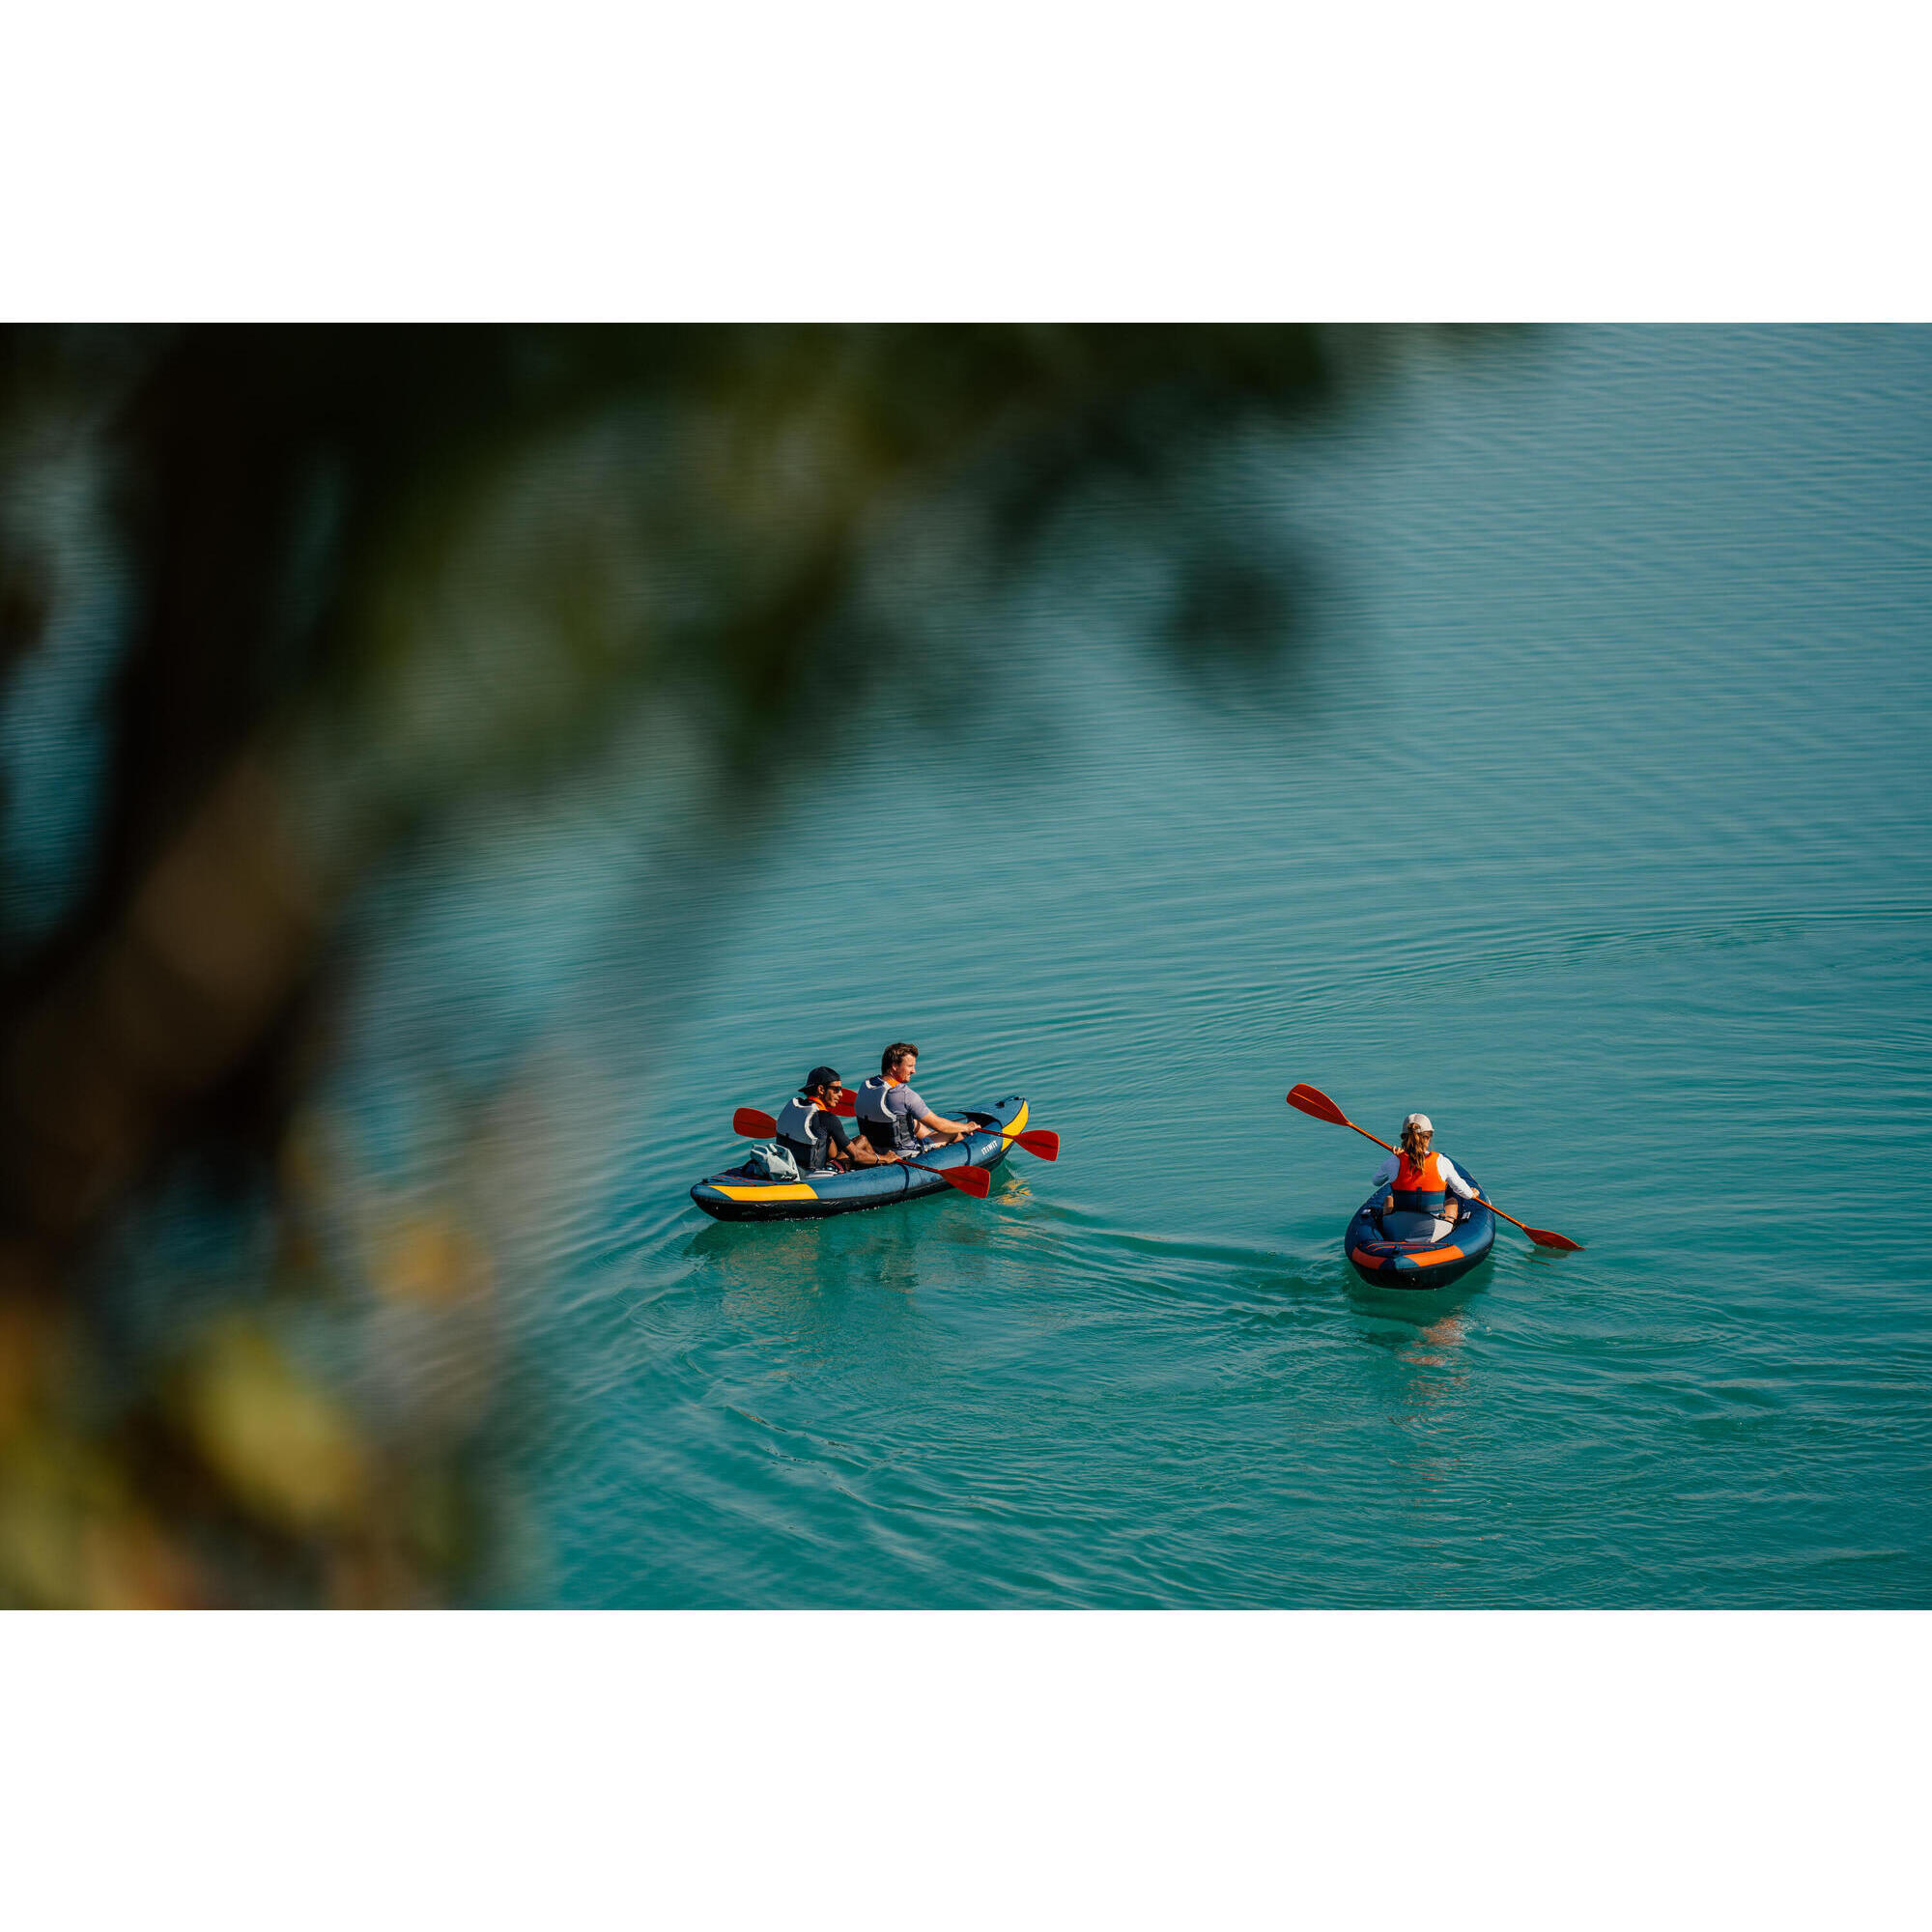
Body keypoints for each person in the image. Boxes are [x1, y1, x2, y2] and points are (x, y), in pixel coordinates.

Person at [854, 1042, 983, 1161]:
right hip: (903, 1154)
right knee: (953, 1133)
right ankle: (966, 1157)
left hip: (873, 1150)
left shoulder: (866, 1085)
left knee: (913, 1121)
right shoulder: (904, 1094)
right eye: (910, 1066)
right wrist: (967, 1127)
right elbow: (939, 1125)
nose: (913, 1071)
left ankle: (933, 1139)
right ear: (894, 1066)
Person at [1371, 1113, 1479, 1242]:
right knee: (1452, 1202)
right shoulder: (1441, 1161)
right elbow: (1464, 1193)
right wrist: (1472, 1194)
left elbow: (1376, 1181)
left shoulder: (1394, 1160)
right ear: (1428, 1138)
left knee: (1389, 1199)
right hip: (1433, 1232)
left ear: (1404, 1138)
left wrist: (1398, 1157)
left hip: (1396, 1230)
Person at [774, 1066, 898, 1175]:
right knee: (863, 1147)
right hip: (817, 1175)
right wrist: (885, 1158)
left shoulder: (793, 1108)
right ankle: (882, 1173)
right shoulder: (827, 1118)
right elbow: (856, 1156)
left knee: (862, 1140)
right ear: (821, 1090)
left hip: (790, 1167)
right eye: (836, 1089)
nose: (841, 1094)